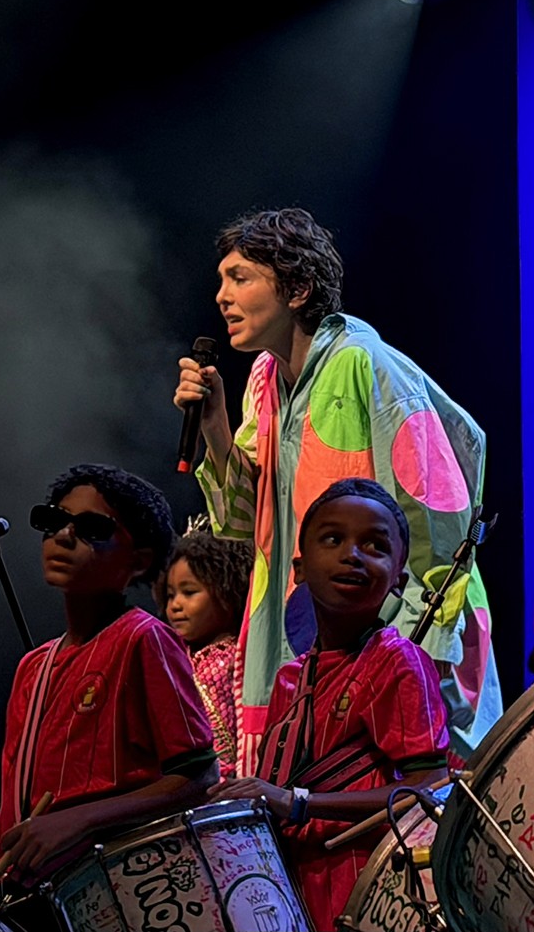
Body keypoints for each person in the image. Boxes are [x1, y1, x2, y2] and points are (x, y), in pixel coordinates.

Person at [173, 207, 500, 768]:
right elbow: (249, 525)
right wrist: (214, 426)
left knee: (414, 804)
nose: (222, 296)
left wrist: (409, 649)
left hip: (398, 636)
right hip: (314, 636)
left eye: (240, 278)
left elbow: (437, 515)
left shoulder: (361, 362)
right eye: (221, 281)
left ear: (297, 288)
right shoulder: (267, 378)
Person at [211, 478, 450, 932]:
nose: (352, 555)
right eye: (333, 539)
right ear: (298, 569)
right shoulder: (290, 678)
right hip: (296, 890)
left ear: (398, 579)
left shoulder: (395, 661)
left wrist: (299, 802)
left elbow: (430, 788)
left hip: (367, 890)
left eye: (375, 545)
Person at [0, 464, 218, 901]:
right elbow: (15, 806)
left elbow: (198, 775)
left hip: (128, 892)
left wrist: (77, 820)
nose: (64, 536)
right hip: (44, 898)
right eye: (53, 521)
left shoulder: (143, 638)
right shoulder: (33, 667)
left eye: (92, 528)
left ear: (139, 562)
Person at [155, 523, 252, 778]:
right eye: (169, 595)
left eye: (189, 593)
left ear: (228, 590)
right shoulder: (181, 656)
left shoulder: (224, 661)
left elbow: (223, 742)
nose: (175, 605)